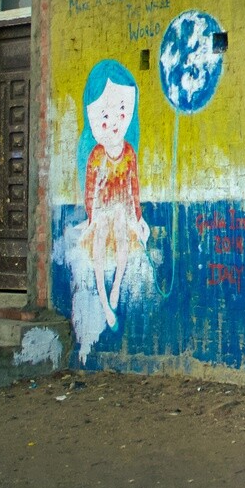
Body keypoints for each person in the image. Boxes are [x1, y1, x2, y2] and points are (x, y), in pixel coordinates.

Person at [77, 60, 149, 330]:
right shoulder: (96, 155)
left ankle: (117, 286)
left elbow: (134, 189)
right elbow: (90, 189)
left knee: (119, 224)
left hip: (120, 209)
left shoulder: (129, 152)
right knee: (103, 229)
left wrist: (138, 219)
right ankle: (105, 304)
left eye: (121, 111)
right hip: (102, 211)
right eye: (104, 117)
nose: (114, 122)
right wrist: (91, 218)